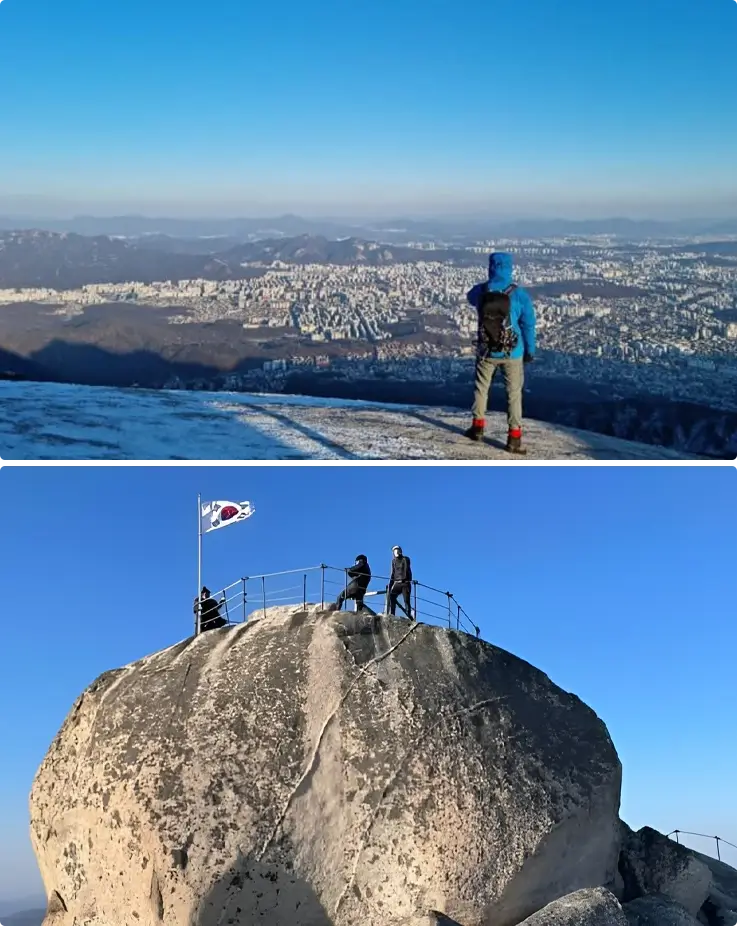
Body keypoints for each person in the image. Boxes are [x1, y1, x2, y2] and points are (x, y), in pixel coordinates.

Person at [464, 251, 536, 455]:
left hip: (486, 351)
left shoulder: (481, 291)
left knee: (481, 389)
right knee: (513, 395)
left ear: (491, 267)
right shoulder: (520, 294)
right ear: (510, 268)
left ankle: (477, 427)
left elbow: (469, 297)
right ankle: (514, 438)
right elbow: (529, 324)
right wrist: (530, 350)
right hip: (513, 352)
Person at [388, 545, 414, 619]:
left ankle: (408, 616)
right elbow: (393, 573)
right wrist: (390, 585)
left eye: (397, 550)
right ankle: (392, 614)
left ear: (400, 551)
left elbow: (407, 570)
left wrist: (407, 580)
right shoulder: (393, 561)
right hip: (397, 583)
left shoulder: (405, 559)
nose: (395, 552)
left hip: (405, 583)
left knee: (406, 600)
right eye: (394, 551)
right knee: (391, 596)